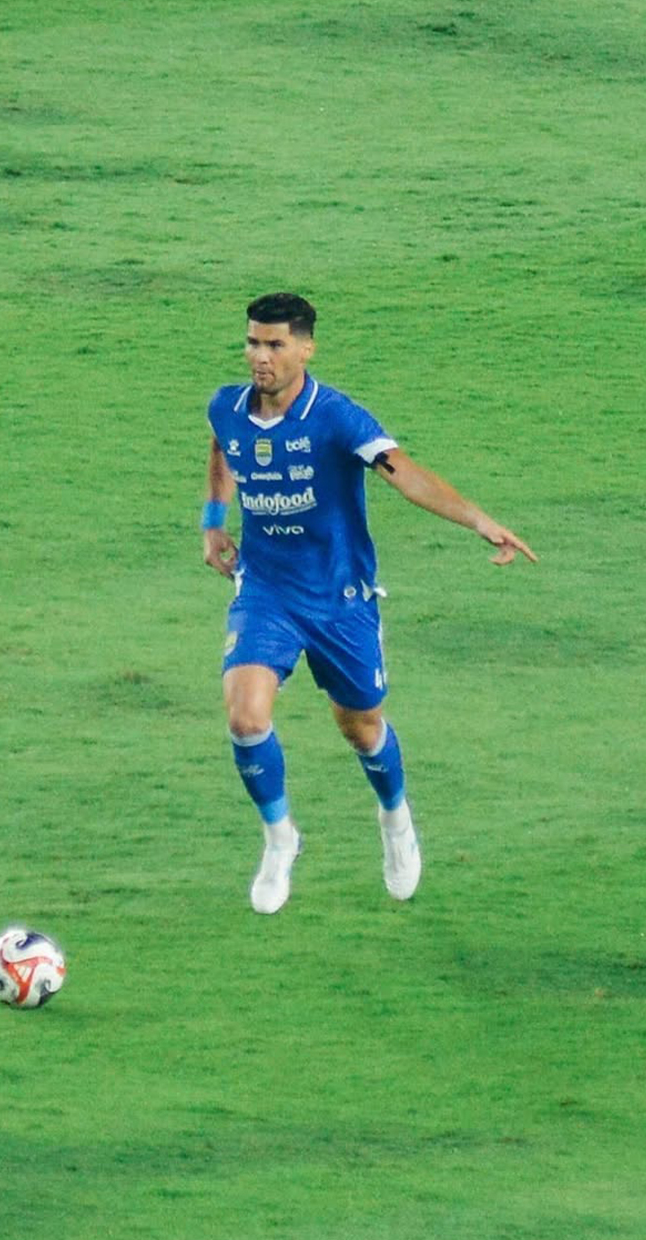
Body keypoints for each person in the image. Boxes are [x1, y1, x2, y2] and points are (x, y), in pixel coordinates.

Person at [202, 292, 537, 914]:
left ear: (306, 349)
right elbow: (223, 447)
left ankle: (395, 819)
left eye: (275, 345)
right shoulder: (227, 406)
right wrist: (213, 521)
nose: (260, 357)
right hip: (267, 592)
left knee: (360, 726)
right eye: (252, 342)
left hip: (341, 598)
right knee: (246, 718)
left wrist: (480, 521)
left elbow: (404, 473)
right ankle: (280, 838)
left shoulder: (335, 417)